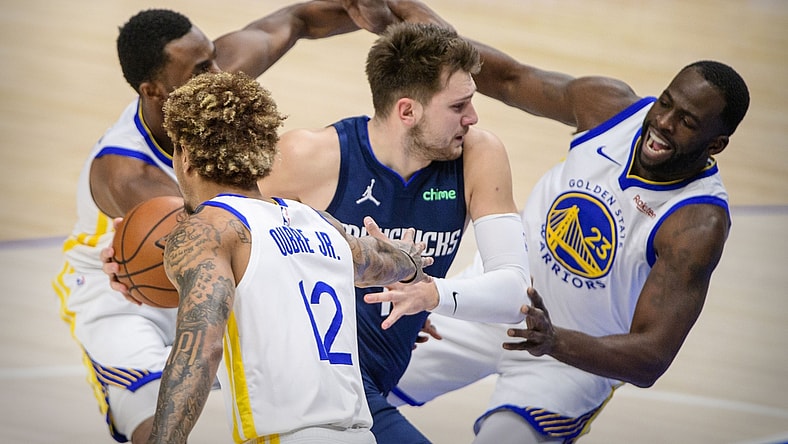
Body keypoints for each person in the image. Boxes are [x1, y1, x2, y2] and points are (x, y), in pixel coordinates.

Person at [343, 2, 751, 443]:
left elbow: (651, 357)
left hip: (571, 357)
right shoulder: (610, 107)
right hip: (490, 299)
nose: (663, 123)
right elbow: (507, 75)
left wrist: (555, 341)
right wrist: (395, 20)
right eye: (666, 102)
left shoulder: (696, 223)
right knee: (347, 399)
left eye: (686, 122)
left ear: (717, 144)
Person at [51, 4, 363, 443]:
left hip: (203, 266)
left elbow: (298, 20)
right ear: (154, 89)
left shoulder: (213, 86)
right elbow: (219, 227)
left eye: (214, 55)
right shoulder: (126, 171)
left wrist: (378, 10)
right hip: (124, 296)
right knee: (152, 425)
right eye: (202, 68)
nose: (220, 75)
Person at [258, 21, 530, 443]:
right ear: (408, 111)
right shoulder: (309, 156)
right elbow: (217, 229)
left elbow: (515, 293)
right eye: (459, 106)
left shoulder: (478, 155)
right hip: (310, 382)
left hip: (370, 383)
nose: (472, 118)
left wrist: (432, 294)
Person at [149, 70, 431, 444]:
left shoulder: (209, 229)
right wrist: (410, 261)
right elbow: (377, 260)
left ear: (184, 155)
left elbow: (200, 347)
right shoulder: (318, 223)